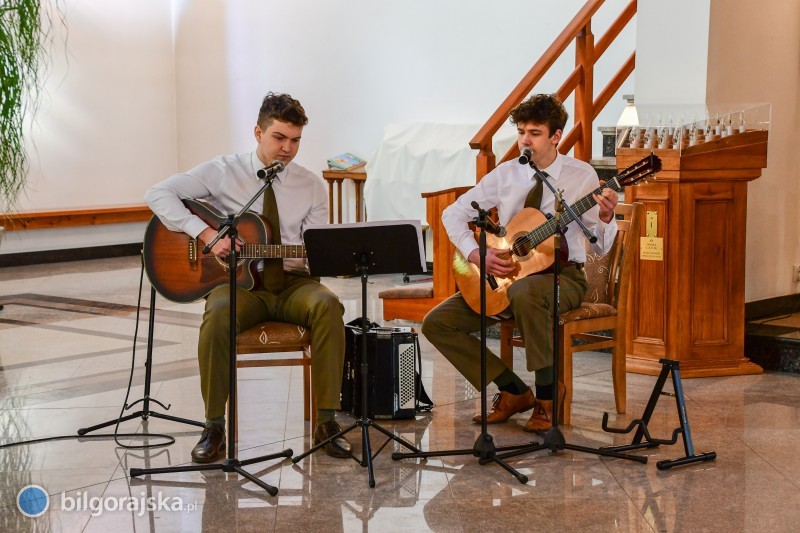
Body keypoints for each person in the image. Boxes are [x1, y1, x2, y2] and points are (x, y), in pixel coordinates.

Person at [145, 92, 352, 460]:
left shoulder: (311, 186)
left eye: (295, 140)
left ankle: (327, 420)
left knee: (328, 305)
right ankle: (214, 426)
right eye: (279, 138)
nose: (287, 149)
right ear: (258, 132)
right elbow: (158, 193)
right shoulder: (224, 171)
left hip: (293, 284)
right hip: (238, 286)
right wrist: (206, 234)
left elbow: (315, 252)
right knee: (217, 314)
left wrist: (328, 258)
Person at [422, 94, 619, 432]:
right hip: (508, 277)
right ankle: (514, 390)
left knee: (525, 293)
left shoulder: (581, 175)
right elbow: (452, 213)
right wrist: (476, 254)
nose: (525, 140)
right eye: (521, 132)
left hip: (564, 278)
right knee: (437, 323)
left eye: (535, 133)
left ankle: (548, 397)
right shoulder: (506, 174)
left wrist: (605, 217)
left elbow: (600, 246)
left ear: (556, 136)